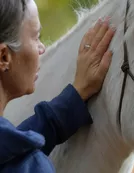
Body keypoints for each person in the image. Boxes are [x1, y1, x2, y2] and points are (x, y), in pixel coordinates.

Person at [0, 0, 115, 172]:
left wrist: (76, 96)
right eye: (36, 37)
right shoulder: (34, 167)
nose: (42, 48)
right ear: (4, 57)